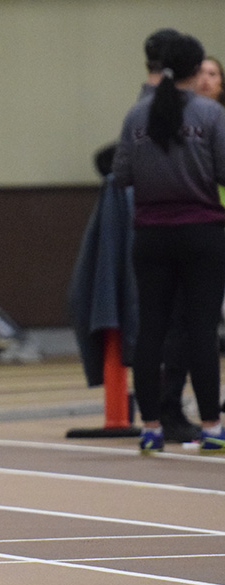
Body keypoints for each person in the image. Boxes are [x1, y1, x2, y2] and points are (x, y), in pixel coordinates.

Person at [111, 33, 225, 454]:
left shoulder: (136, 116)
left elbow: (120, 175)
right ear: (196, 71)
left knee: (152, 331)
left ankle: (151, 429)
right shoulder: (210, 115)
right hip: (202, 234)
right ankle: (213, 427)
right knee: (200, 330)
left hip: (151, 236)